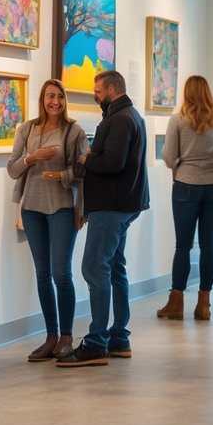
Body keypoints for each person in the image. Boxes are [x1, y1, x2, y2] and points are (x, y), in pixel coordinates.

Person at [56, 70, 149, 367]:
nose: (95, 96)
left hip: (112, 206)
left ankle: (97, 342)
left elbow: (112, 163)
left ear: (111, 89)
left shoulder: (120, 119)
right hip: (124, 203)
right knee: (114, 268)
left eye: (97, 91)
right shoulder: (129, 115)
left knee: (94, 268)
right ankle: (119, 337)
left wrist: (87, 159)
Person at [6, 79, 88, 362]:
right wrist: (31, 158)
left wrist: (60, 176)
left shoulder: (74, 131)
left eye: (60, 96)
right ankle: (51, 337)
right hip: (32, 208)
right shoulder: (27, 129)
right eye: (51, 96)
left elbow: (83, 171)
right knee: (42, 274)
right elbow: (12, 169)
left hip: (62, 207)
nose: (55, 102)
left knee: (61, 273)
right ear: (42, 99)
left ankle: (66, 336)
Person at [157, 75, 213, 322]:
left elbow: (169, 158)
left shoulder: (177, 121)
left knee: (183, 245)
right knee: (208, 244)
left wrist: (182, 163)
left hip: (185, 186)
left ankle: (176, 303)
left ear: (187, 93)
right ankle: (204, 304)